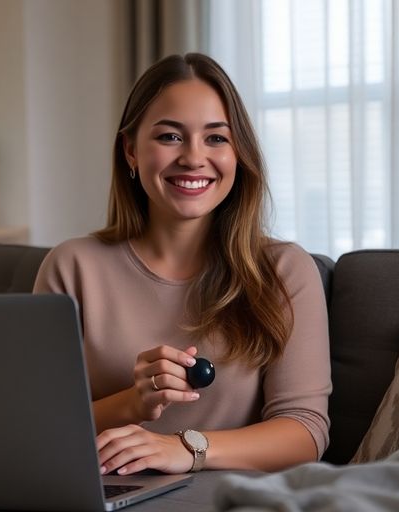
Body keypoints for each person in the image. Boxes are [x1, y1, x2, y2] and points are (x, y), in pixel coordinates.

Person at [33, 53, 331, 475]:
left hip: (228, 499)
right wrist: (134, 403)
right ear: (131, 150)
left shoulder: (283, 271)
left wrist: (185, 448)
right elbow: (40, 429)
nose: (193, 157)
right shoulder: (72, 266)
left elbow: (304, 432)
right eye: (170, 137)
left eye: (216, 138)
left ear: (238, 154)